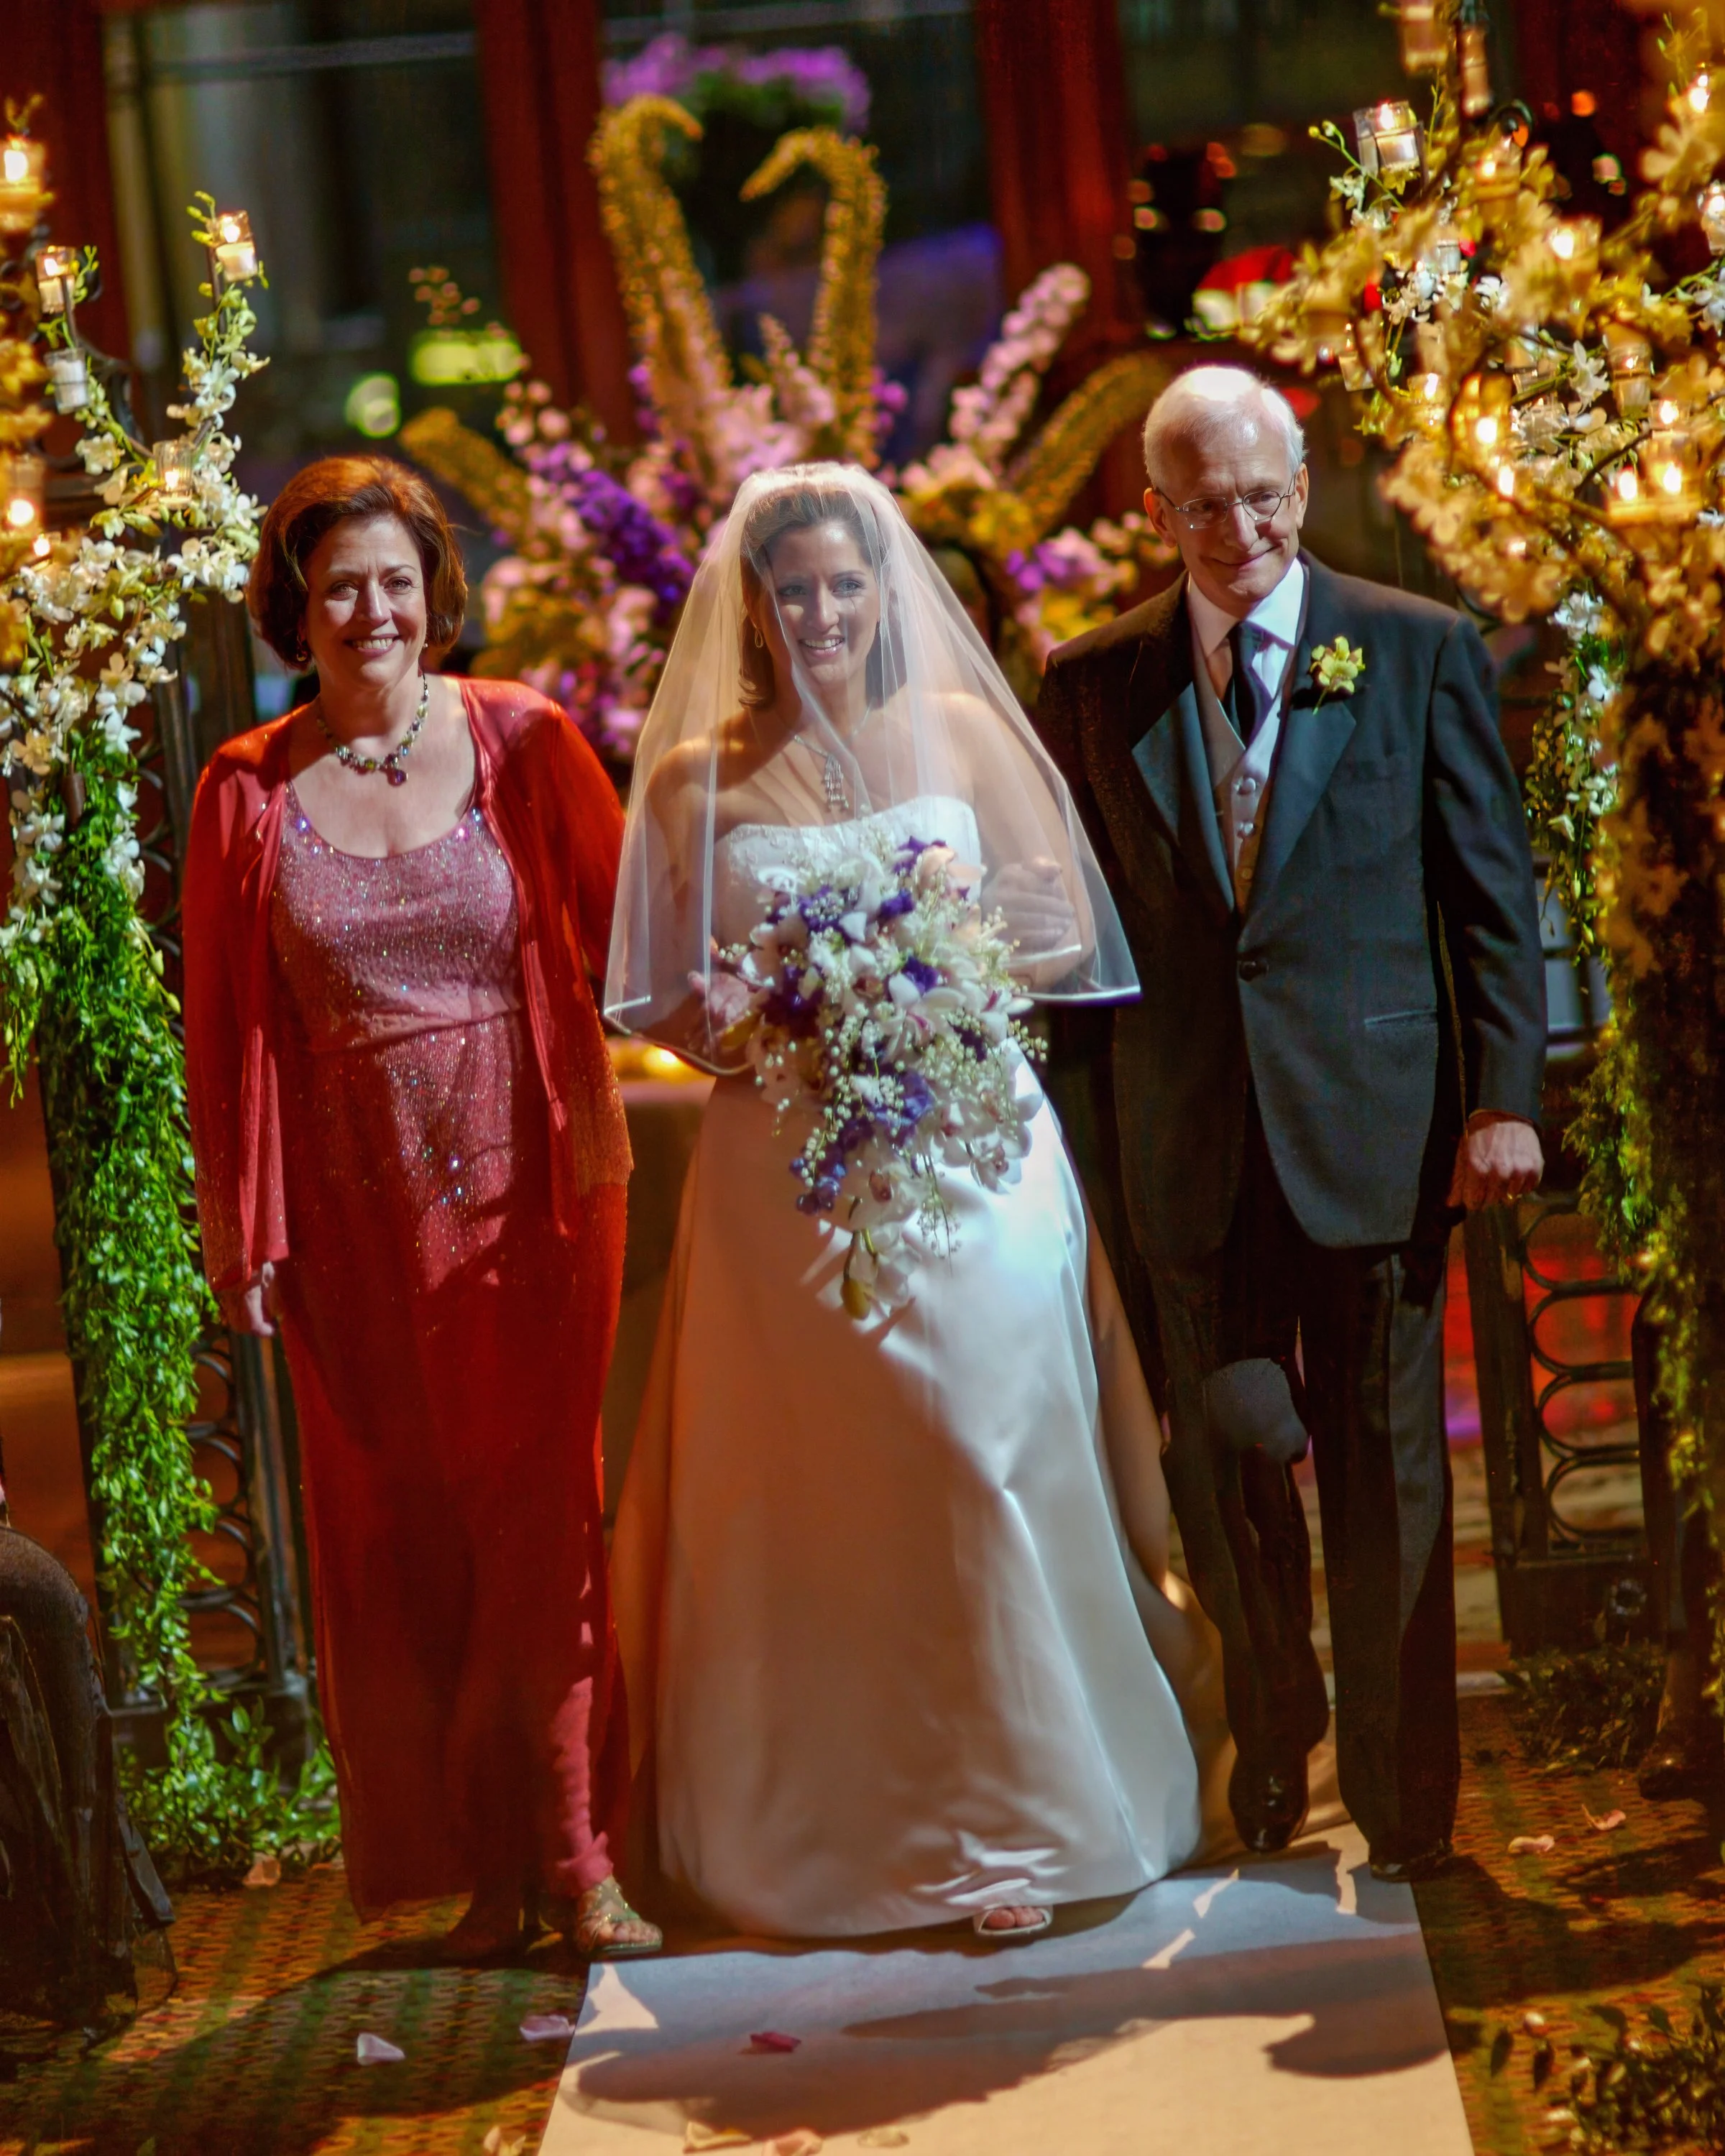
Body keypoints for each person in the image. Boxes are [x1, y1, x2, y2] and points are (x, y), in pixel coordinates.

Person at [605, 463, 1228, 1943]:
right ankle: (842, 1826)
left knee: (980, 1451)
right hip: (786, 1181)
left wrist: (965, 960)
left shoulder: (957, 728)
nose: (821, 611)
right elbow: (667, 1004)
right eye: (792, 589)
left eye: (843, 584)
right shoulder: (697, 776)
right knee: (822, 1493)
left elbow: (1066, 922)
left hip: (971, 1155)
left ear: (885, 593)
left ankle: (1026, 1808)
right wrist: (736, 1015)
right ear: (751, 608)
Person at [1036, 366, 1547, 1882]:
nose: (1238, 528)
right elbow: (1077, 946)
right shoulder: (1093, 681)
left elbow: (1488, 899)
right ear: (1157, 509)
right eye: (1203, 503)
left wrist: (1505, 1099)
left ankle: (1404, 1796)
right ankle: (1277, 1718)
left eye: (1262, 496)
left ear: (1301, 482)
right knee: (1231, 1455)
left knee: (1390, 1476)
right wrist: (1074, 1156)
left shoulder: (1412, 649)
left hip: (1377, 1135)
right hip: (1189, 1146)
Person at [182, 456, 657, 1960]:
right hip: (346, 1220)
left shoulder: (525, 737)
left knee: (538, 1519)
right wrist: (241, 1225)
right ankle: (490, 1868)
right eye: (340, 588)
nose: (371, 610)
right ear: (296, 611)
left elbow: (634, 931)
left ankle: (582, 1857)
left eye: (395, 580)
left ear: (435, 592)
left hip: (530, 1194)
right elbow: (228, 1031)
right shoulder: (244, 786)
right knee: (406, 1541)